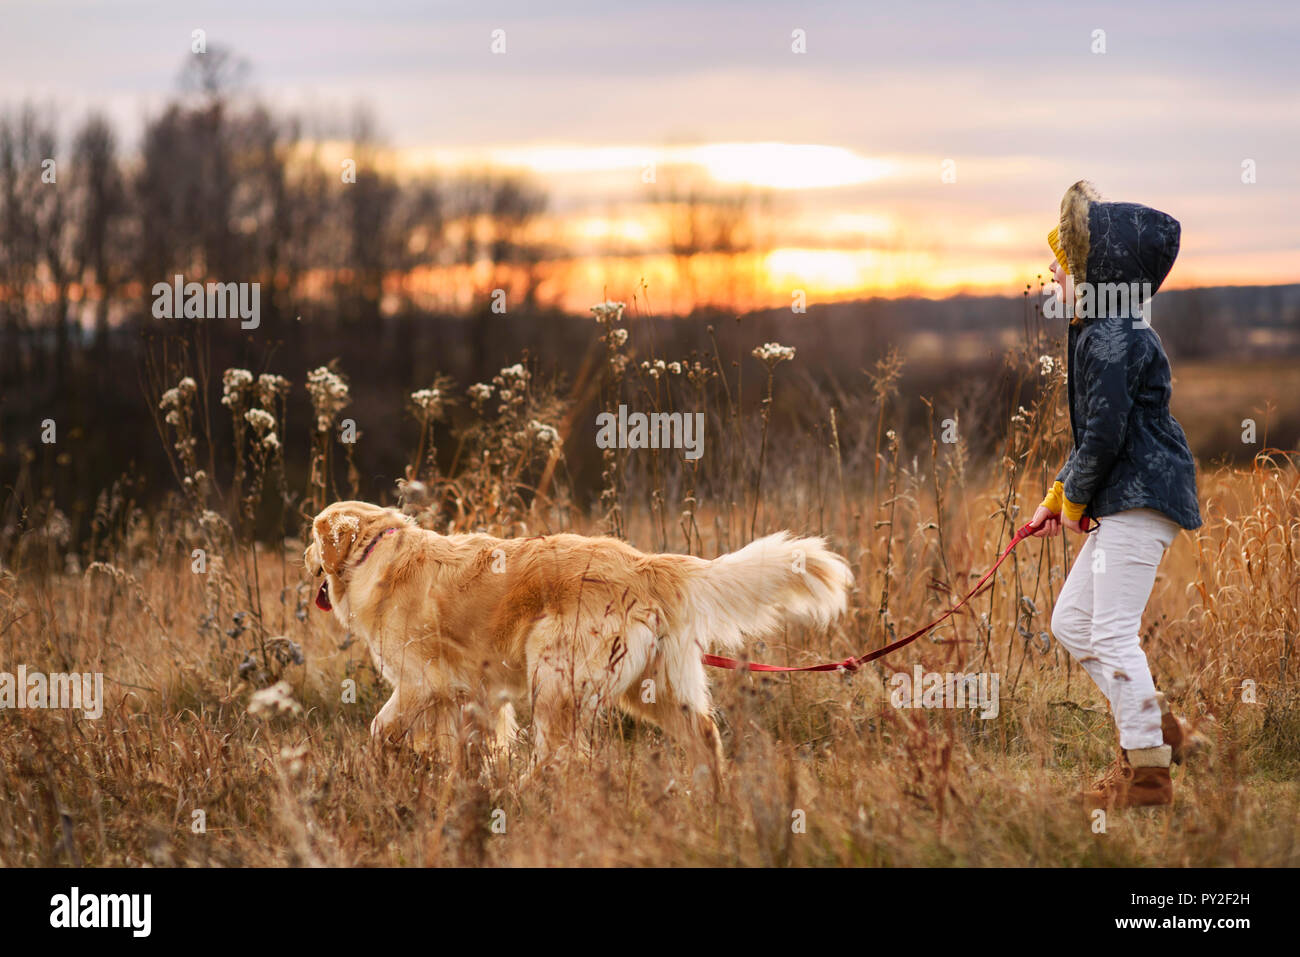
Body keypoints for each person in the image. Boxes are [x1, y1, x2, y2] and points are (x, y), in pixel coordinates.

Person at [1030, 181, 1202, 808]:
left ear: (1099, 274)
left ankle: (1148, 774)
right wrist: (1060, 497)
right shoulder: (1104, 329)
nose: (1052, 270)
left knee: (1109, 632)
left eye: (1065, 263)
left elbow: (1103, 436)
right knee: (1072, 622)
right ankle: (1157, 725)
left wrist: (1073, 502)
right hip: (1126, 497)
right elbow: (1099, 438)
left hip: (1142, 497)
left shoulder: (1111, 336)